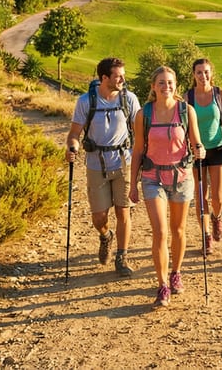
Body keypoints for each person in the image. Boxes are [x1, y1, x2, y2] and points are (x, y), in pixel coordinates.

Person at [130, 65, 204, 306]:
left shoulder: (186, 111)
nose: (166, 87)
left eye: (170, 82)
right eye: (161, 82)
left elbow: (196, 143)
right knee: (160, 232)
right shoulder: (144, 114)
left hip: (181, 178)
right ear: (153, 86)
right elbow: (138, 150)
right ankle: (162, 284)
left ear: (176, 85)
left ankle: (176, 272)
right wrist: (133, 184)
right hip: (152, 178)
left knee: (178, 231)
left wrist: (200, 150)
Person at [65, 57, 141, 278]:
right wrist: (72, 147)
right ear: (104, 78)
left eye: (123, 75)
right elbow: (74, 133)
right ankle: (105, 236)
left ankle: (122, 256)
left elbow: (140, 130)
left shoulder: (130, 99)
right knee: (99, 217)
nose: (122, 79)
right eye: (118, 76)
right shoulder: (85, 101)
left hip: (123, 163)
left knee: (123, 212)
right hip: (95, 164)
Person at [187, 59, 222, 256]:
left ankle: (217, 217)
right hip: (196, 151)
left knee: (218, 198)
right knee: (200, 196)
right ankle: (206, 236)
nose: (203, 76)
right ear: (194, 75)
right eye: (199, 73)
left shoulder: (220, 94)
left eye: (206, 72)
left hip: (217, 148)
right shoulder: (188, 97)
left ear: (211, 73)